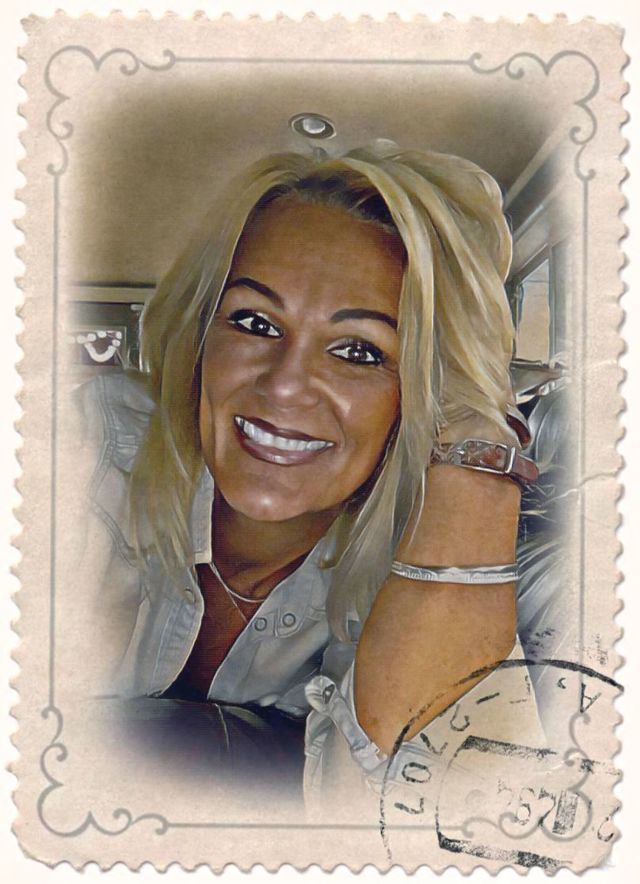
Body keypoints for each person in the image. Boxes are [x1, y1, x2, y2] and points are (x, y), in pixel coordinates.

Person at [75, 141, 544, 815]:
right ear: (200, 338)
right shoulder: (82, 451)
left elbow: (434, 825)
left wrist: (480, 441)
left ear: (424, 393)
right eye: (255, 322)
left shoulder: (424, 555)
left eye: (359, 351)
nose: (286, 385)